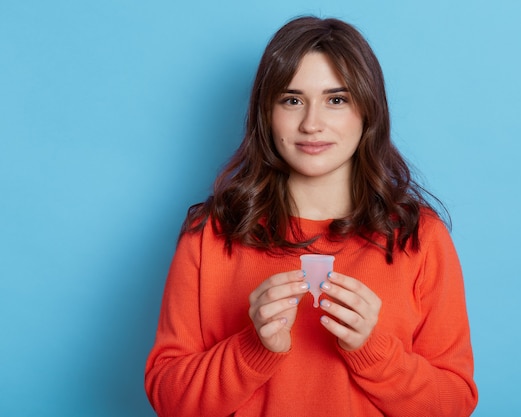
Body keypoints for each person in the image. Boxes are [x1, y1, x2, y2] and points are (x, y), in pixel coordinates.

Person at [145, 16, 478, 417]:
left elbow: (453, 405)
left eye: (336, 100)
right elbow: (169, 399)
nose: (312, 124)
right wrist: (253, 347)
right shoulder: (211, 235)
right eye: (292, 100)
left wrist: (371, 351)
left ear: (368, 112)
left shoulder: (419, 237)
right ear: (266, 113)